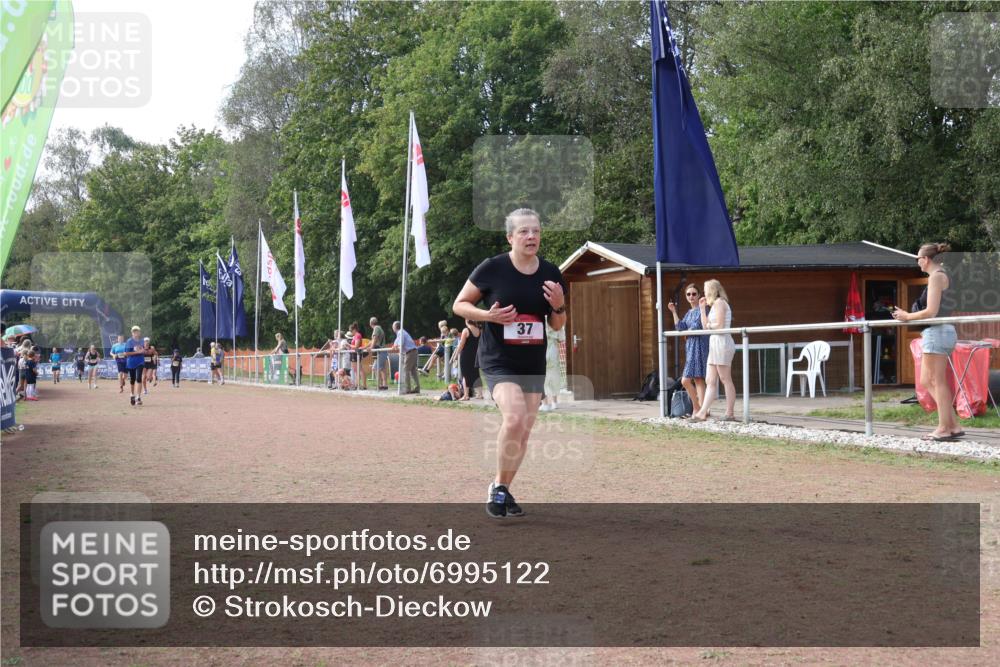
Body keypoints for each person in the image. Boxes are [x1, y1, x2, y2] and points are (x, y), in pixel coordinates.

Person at [452, 208, 567, 519]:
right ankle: (500, 489)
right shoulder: (493, 268)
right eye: (524, 231)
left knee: (523, 431)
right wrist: (488, 315)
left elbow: (557, 324)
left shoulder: (551, 273)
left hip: (532, 361)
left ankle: (501, 486)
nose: (531, 236)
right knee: (515, 418)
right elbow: (459, 304)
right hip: (498, 359)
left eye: (536, 231)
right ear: (510, 238)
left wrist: (559, 306)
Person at [892, 242, 962, 441]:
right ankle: (953, 424)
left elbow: (931, 311)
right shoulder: (940, 275)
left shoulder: (936, 277)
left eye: (918, 258)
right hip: (938, 332)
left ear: (926, 259)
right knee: (926, 380)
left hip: (937, 331)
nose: (917, 262)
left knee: (937, 381)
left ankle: (944, 428)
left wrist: (907, 316)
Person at [690, 280, 736, 422]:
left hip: (723, 343)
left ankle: (730, 412)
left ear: (712, 290)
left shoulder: (720, 303)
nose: (704, 292)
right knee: (710, 380)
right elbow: (705, 327)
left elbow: (720, 325)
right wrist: (702, 309)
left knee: (725, 378)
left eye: (705, 289)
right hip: (714, 343)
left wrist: (710, 325)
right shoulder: (713, 305)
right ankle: (702, 412)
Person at [668, 283, 709, 416]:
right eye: (688, 294)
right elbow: (680, 327)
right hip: (691, 347)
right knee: (693, 380)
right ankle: (700, 409)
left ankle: (699, 409)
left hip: (700, 346)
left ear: (699, 295)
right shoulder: (689, 313)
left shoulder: (703, 309)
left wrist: (687, 332)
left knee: (694, 379)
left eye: (694, 294)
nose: (691, 296)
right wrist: (674, 311)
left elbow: (697, 327)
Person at [454, 320, 482, 401]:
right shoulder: (478, 330)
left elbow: (461, 344)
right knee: (476, 374)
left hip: (466, 355)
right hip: (475, 355)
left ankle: (466, 395)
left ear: (467, 321)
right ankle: (480, 394)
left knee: (465, 374)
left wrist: (456, 355)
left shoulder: (466, 330)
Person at [541, 317, 565, 411]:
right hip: (553, 351)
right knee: (554, 376)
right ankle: (555, 402)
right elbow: (561, 339)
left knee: (542, 377)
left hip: (542, 350)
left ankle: (545, 404)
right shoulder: (557, 321)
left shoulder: (540, 318)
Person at [391, 321, 420, 393]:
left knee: (406, 370)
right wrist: (395, 345)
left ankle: (408, 389)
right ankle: (416, 388)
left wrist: (396, 346)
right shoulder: (401, 332)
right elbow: (396, 342)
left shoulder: (400, 332)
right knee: (413, 371)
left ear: (395, 327)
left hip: (410, 352)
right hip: (413, 351)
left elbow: (401, 343)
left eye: (393, 327)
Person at [123, 326, 146, 406]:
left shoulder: (142, 341)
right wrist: (138, 352)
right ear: (132, 333)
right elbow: (126, 353)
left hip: (140, 362)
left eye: (137, 331)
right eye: (134, 331)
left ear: (139, 332)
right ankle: (132, 394)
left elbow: (144, 350)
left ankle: (138, 397)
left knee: (139, 378)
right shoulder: (129, 341)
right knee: (132, 380)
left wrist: (143, 351)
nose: (136, 333)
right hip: (131, 362)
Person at [369, 317, 389, 391]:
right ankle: (384, 385)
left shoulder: (376, 328)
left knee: (375, 368)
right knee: (382, 369)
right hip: (382, 351)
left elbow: (374, 339)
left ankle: (379, 385)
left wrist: (371, 348)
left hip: (380, 351)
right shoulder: (379, 328)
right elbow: (372, 341)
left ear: (370, 323)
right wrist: (365, 347)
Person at [349, 322, 367, 390]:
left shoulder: (357, 335)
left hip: (356, 354)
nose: (351, 332)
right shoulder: (355, 336)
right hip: (354, 354)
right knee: (356, 370)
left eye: (351, 331)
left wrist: (348, 345)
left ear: (354, 329)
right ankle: (357, 384)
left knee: (359, 369)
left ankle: (363, 385)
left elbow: (356, 346)